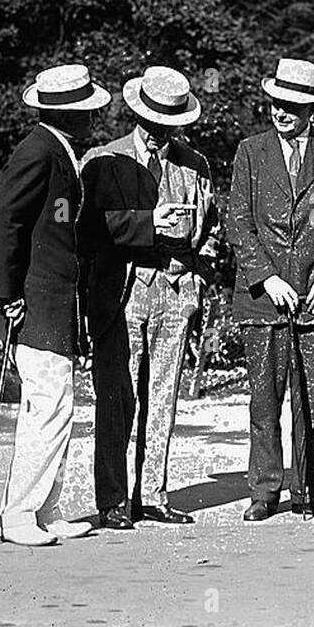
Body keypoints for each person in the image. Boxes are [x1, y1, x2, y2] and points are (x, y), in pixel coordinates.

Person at [81, 66, 218, 531]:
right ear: (138, 113)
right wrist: (145, 225)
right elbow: (88, 231)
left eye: (168, 121)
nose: (159, 129)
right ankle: (114, 499)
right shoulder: (102, 159)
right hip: (123, 292)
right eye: (152, 119)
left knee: (163, 397)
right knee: (117, 396)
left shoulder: (194, 165)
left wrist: (197, 264)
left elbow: (213, 228)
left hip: (176, 292)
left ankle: (153, 493)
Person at [0, 63, 110, 547]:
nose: (93, 119)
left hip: (54, 302)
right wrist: (5, 292)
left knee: (57, 408)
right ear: (66, 115)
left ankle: (45, 509)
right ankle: (17, 515)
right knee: (47, 407)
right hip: (34, 304)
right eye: (86, 111)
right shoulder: (38, 152)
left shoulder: (58, 150)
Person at [227, 58, 314, 521]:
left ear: (311, 110)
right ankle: (264, 492)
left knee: (313, 402)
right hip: (264, 299)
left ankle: (307, 490)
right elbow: (238, 223)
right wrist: (267, 276)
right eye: (277, 103)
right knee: (265, 401)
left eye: (293, 106)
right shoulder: (250, 151)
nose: (282, 112)